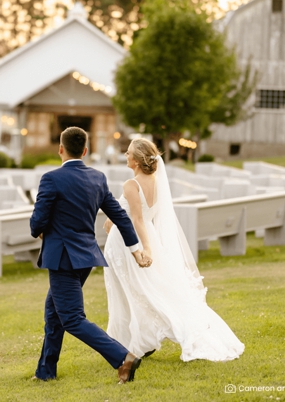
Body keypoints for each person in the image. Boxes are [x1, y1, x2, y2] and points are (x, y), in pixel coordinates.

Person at [103, 138, 245, 361]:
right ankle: (133, 342)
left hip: (129, 244)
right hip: (143, 237)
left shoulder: (131, 185)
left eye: (129, 153)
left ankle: (133, 342)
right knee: (140, 291)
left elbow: (137, 220)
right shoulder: (157, 182)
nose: (126, 156)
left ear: (138, 161)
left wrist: (146, 250)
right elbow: (143, 216)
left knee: (137, 292)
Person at [30, 127, 152, 384]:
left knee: (72, 318)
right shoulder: (97, 177)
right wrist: (135, 249)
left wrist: (42, 229)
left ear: (60, 149)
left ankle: (124, 358)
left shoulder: (51, 179)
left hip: (63, 258)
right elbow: (119, 215)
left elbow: (36, 224)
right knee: (54, 313)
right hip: (85, 257)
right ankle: (45, 372)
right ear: (85, 151)